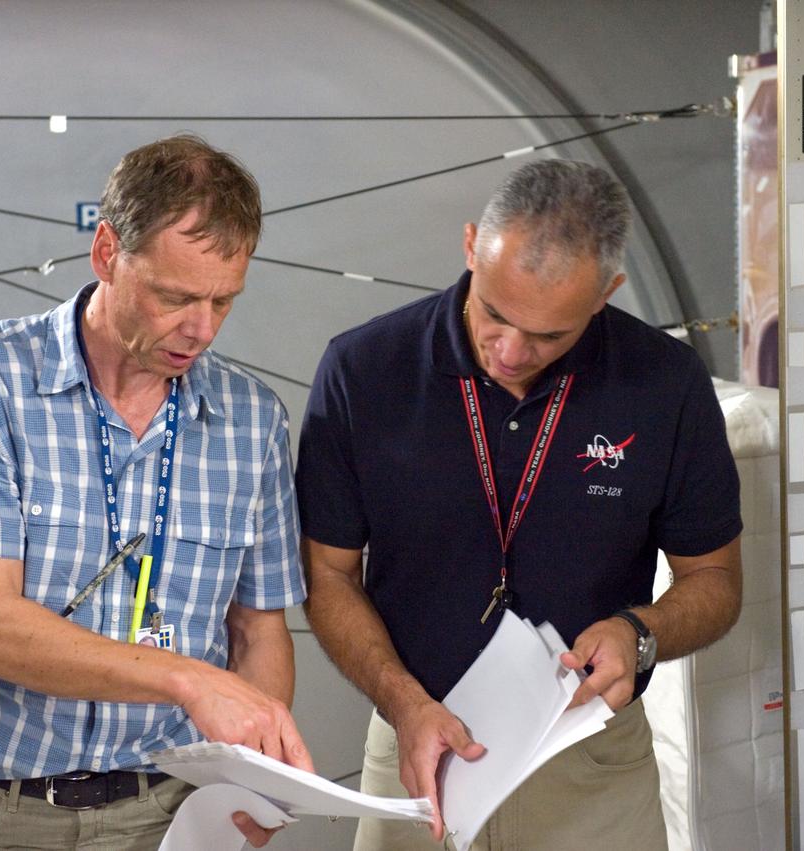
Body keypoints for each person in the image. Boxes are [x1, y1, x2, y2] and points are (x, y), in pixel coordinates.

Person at [296, 159, 743, 850]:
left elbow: (714, 580)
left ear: (606, 294)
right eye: (495, 314)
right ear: (471, 246)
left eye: (548, 336)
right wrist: (403, 701)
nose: (510, 350)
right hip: (419, 747)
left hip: (589, 764)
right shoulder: (364, 370)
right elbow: (327, 574)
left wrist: (638, 633)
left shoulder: (665, 384)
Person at [0, 134, 310, 850]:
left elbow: (259, 631)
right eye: (175, 296)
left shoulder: (254, 420)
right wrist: (186, 679)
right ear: (106, 253)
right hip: (1, 816)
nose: (202, 329)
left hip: (174, 814)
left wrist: (255, 773)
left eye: (224, 300)